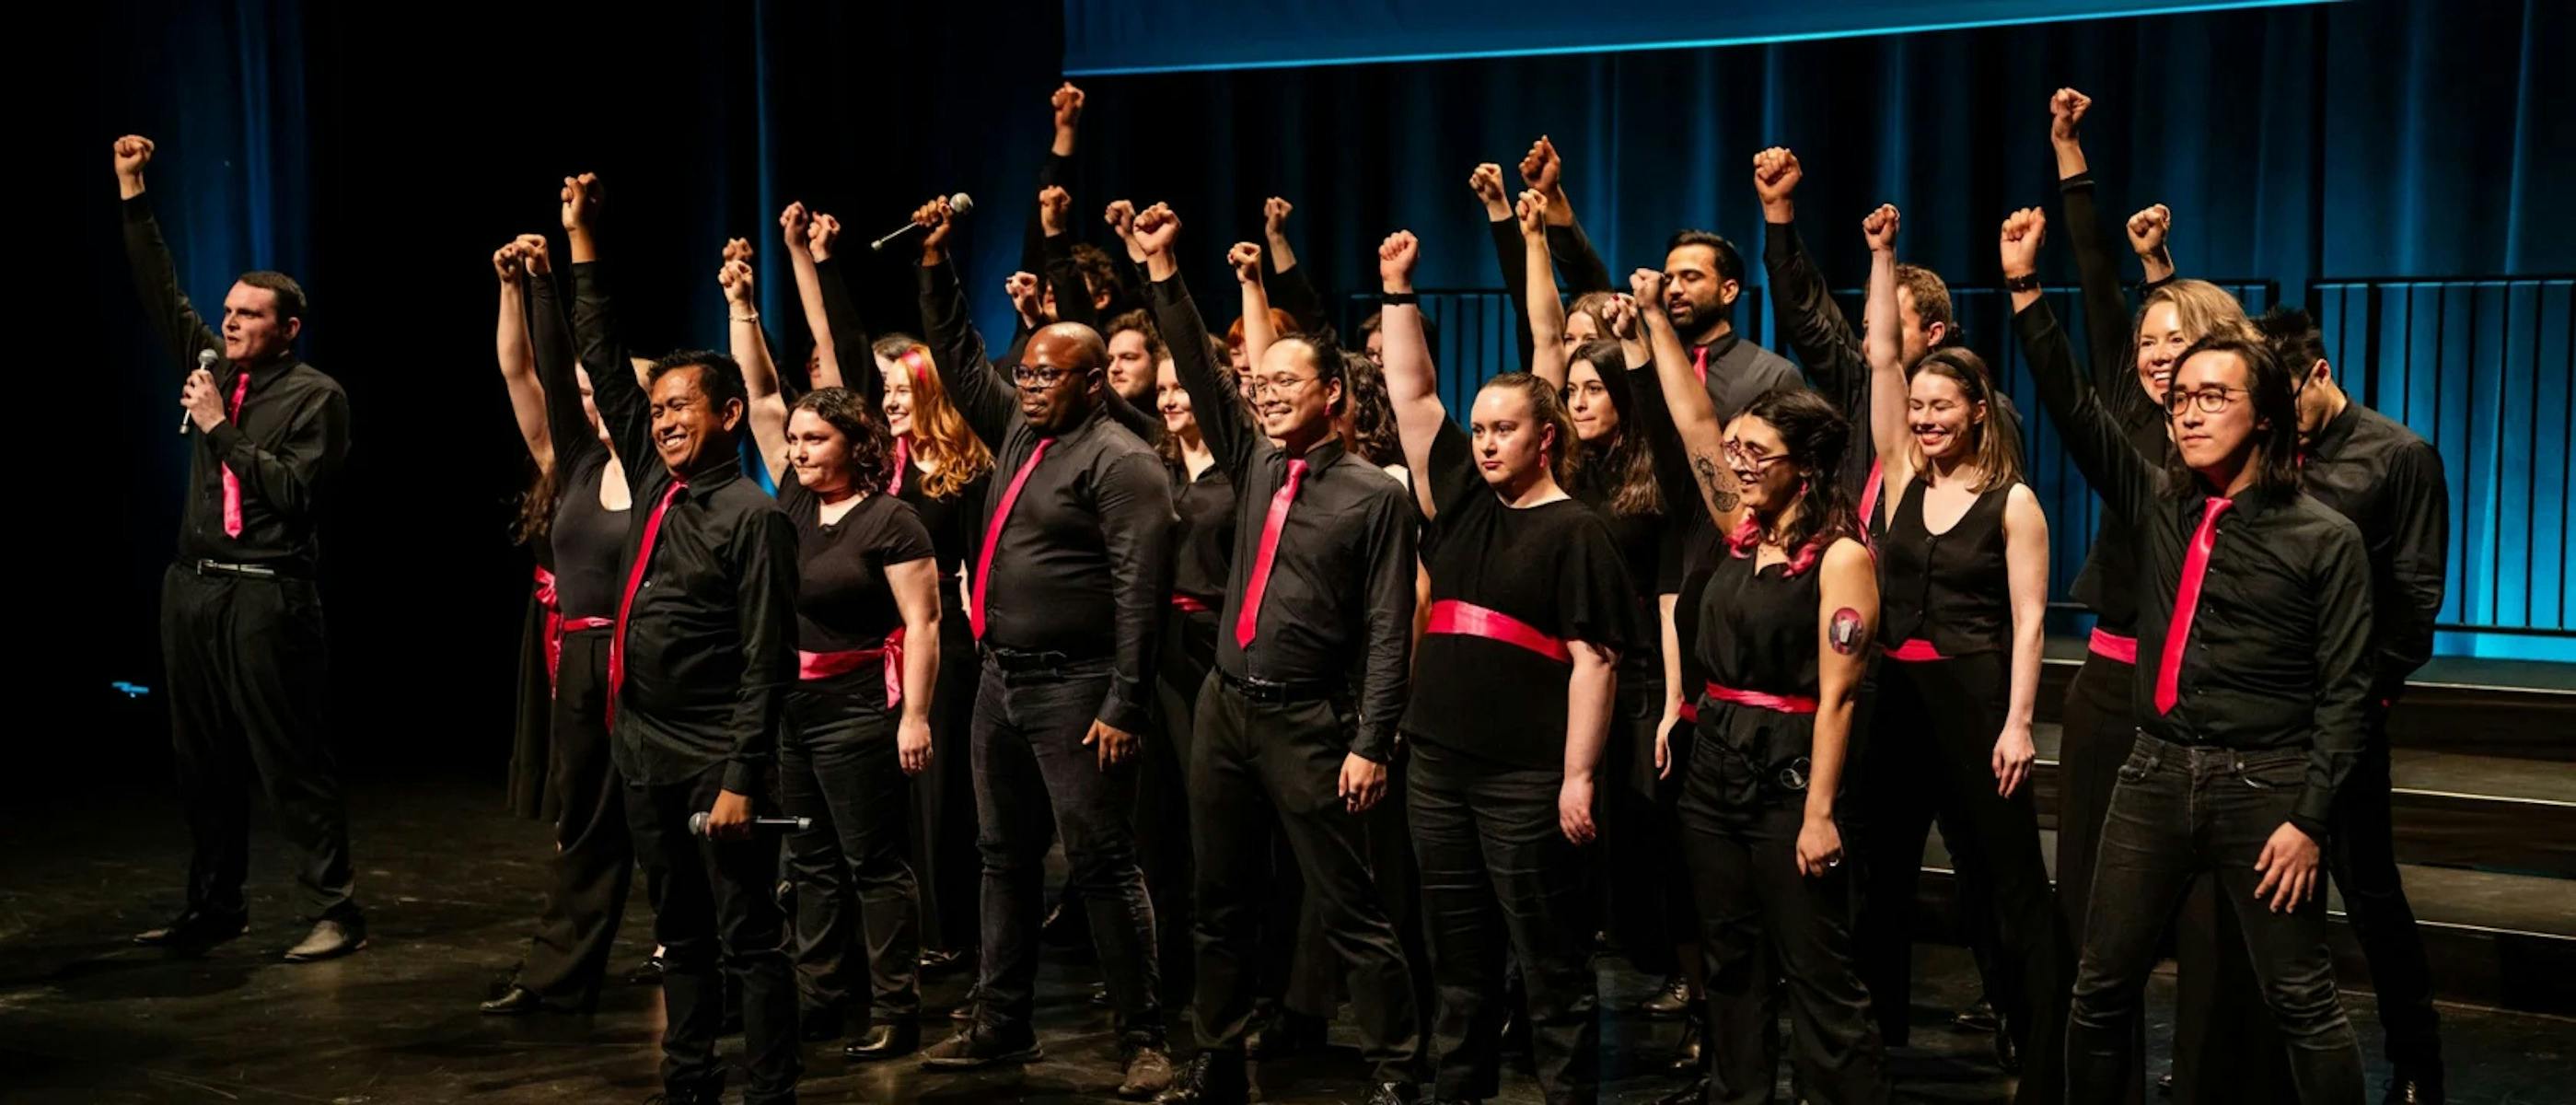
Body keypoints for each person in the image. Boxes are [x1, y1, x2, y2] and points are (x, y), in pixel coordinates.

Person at [2006, 207, 2373, 1105]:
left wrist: (2309, 819)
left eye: (2214, 396)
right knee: (2097, 993)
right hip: (2152, 775)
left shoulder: (2321, 538)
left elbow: (2348, 692)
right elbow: (2073, 407)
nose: (2187, 409)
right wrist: (2023, 292)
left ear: (2264, 417)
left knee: (2301, 1001)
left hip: (2265, 789)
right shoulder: (2158, 503)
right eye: (2179, 397)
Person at [1133, 210, 1427, 1105]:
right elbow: (1194, 365)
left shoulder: (1371, 497)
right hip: (1226, 707)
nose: (1264, 394)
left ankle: (1395, 1065)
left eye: (1286, 383)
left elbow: (1386, 626)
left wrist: (1371, 742)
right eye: (1261, 383)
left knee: (1346, 902)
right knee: (1217, 897)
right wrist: (1164, 271)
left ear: (1332, 395)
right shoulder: (1255, 460)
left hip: (1307, 718)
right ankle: (1215, 1050)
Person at [906, 195, 1180, 1099]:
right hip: (1001, 684)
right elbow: (952, 357)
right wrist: (937, 266)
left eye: (1047, 376)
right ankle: (1000, 1023)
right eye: (1023, 373)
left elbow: (1139, 592)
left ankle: (1146, 1041)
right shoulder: (1021, 430)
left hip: (1080, 687)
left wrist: (1124, 703)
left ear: (1093, 380)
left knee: (1102, 863)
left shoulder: (1122, 462)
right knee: (1001, 855)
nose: (1026, 386)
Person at [1380, 228, 1640, 1105]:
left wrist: (1576, 777)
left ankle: (1568, 1093)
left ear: (1546, 436)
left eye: (1504, 429)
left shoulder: (1579, 531)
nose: (1485, 443)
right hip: (1439, 767)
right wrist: (1397, 291)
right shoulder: (1459, 497)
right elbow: (1413, 395)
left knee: (1548, 957)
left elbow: (1595, 664)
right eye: (1481, 428)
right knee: (1457, 958)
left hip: (1524, 779)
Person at [563, 172, 803, 1105]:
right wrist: (582, 240)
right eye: (655, 410)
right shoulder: (657, 488)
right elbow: (595, 346)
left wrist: (744, 775)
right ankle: (687, 1076)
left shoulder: (754, 516)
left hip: (718, 758)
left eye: (680, 409)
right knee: (678, 929)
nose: (661, 422)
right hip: (646, 750)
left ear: (730, 415)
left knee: (749, 932)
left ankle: (770, 1086)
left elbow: (765, 657)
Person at [1631, 262, 1893, 1105]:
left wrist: (1818, 812)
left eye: (1757, 453)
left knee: (1815, 964)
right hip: (1717, 761)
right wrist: (1654, 323)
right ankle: (1739, 1092)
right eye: (1737, 450)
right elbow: (1692, 421)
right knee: (1731, 953)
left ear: (1805, 467)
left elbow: (1842, 695)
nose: (1737, 462)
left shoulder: (1843, 560)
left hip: (1790, 770)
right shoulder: (1737, 527)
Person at [2178, 307, 2453, 1105]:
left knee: (2369, 893)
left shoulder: (2398, 457)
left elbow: (2416, 599)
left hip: (2343, 713)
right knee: (2246, 899)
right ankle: (2241, 1062)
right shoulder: (2250, 458)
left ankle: (2416, 1064)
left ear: (2319, 376)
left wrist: (2359, 697)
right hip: (2251, 720)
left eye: (2280, 395)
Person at [116, 134, 364, 964]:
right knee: (200, 759)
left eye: (248, 314)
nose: (227, 322)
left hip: (267, 591)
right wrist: (133, 193)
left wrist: (220, 429)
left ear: (288, 328)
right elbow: (161, 293)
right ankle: (215, 905)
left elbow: (294, 494)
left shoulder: (315, 396)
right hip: (193, 587)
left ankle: (334, 909)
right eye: (227, 311)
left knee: (288, 756)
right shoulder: (212, 363)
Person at [1851, 205, 2066, 1099]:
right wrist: (1882, 255)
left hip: (1977, 701)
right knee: (1876, 872)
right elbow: (1879, 357)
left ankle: (2042, 1047)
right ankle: (1871, 1043)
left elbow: (2029, 624)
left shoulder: (2011, 503)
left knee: (2006, 881)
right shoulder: (1899, 472)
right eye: (1919, 406)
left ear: (1977, 412)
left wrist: (2018, 723)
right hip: (1893, 701)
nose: (1926, 417)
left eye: (1943, 406)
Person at [723, 241, 946, 1058]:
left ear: (855, 443)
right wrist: (743, 307)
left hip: (857, 709)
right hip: (793, 709)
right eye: (799, 441)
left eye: (818, 440)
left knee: (871, 862)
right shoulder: (790, 504)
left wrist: (914, 716)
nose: (801, 449)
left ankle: (897, 1008)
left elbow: (922, 625)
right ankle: (823, 998)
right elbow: (758, 395)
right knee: (808, 860)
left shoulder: (890, 522)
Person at [783, 207, 997, 983]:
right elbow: (839, 356)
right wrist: (816, 265)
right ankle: (870, 947)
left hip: (934, 633)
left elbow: (976, 562)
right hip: (867, 643)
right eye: (884, 393)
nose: (890, 400)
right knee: (875, 806)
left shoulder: (962, 468)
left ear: (929, 387)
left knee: (938, 793)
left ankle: (949, 931)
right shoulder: (874, 469)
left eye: (902, 387)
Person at [1512, 192, 1700, 1064]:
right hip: (1566, 672)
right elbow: (1545, 349)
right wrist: (1527, 241)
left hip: (1641, 676)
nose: (1579, 400)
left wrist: (1673, 699)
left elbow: (1667, 590)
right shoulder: (1567, 471)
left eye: (1595, 390)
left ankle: (1696, 988)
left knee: (1651, 845)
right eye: (1573, 392)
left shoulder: (1648, 476)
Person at [479, 234, 641, 1017]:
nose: (594, 400)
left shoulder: (658, 475)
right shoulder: (574, 463)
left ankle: (706, 961)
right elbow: (532, 369)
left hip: (649, 660)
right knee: (582, 824)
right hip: (580, 656)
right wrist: (535, 283)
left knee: (681, 826)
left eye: (612, 391)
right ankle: (558, 975)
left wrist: (563, 269)